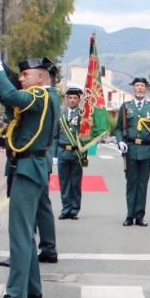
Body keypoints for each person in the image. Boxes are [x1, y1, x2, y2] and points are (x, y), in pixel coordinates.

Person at [0, 50, 58, 298]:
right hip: (29, 166)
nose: (22, 78)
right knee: (26, 231)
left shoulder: (40, 94)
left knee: (20, 232)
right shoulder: (46, 97)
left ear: (40, 77)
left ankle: (16, 294)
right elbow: (12, 103)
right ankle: (32, 289)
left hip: (28, 167)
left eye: (25, 75)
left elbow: (14, 97)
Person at [116, 77, 150, 225]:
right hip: (131, 149)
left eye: (142, 86)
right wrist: (120, 141)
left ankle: (139, 215)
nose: (140, 88)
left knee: (142, 184)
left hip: (146, 149)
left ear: (146, 89)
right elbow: (118, 128)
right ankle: (129, 215)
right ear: (133, 89)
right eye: (137, 86)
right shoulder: (126, 106)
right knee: (131, 183)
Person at [55, 85, 85, 219]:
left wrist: (84, 152)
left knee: (76, 182)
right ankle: (65, 208)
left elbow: (87, 136)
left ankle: (74, 209)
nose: (72, 100)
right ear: (67, 99)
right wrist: (55, 155)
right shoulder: (61, 115)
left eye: (75, 98)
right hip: (62, 152)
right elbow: (55, 135)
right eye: (70, 97)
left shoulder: (83, 116)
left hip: (76, 153)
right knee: (64, 182)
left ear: (79, 100)